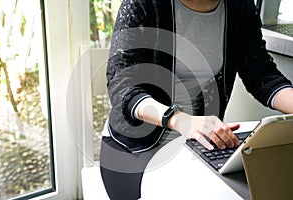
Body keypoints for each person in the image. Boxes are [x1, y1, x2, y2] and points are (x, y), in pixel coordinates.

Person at [99, 0, 293, 199]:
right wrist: (181, 121)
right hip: (135, 148)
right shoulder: (144, 3)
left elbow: (261, 74)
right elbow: (122, 85)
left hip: (198, 146)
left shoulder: (239, 7)